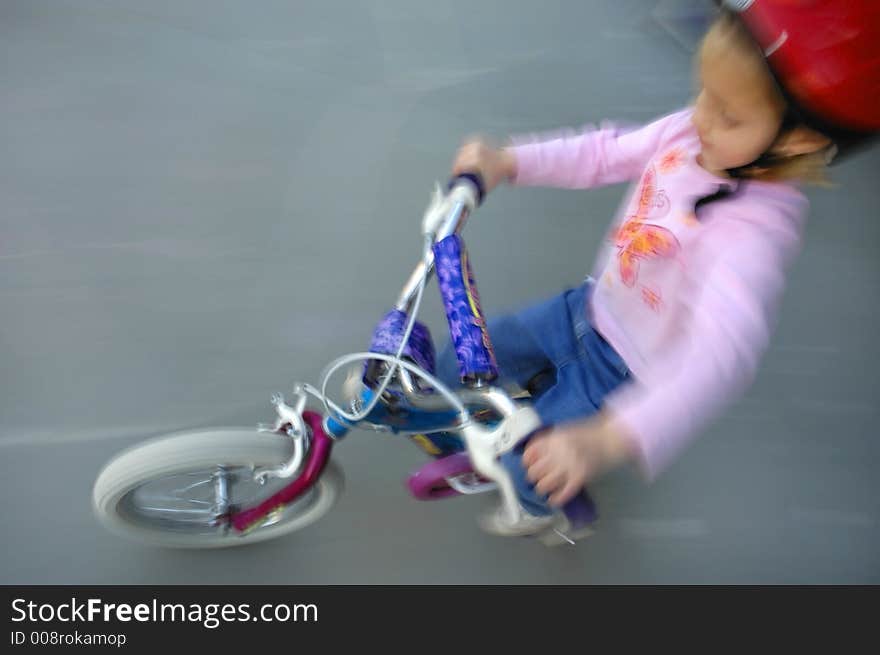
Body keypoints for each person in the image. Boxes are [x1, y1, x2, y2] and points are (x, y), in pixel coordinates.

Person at [436, 0, 880, 536]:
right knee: (465, 357)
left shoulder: (754, 232)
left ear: (798, 138)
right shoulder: (690, 134)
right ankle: (443, 412)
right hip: (584, 310)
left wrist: (607, 438)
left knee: (531, 469)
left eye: (728, 114)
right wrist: (509, 161)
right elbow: (604, 153)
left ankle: (535, 509)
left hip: (622, 375)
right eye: (702, 94)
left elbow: (720, 356)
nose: (701, 119)